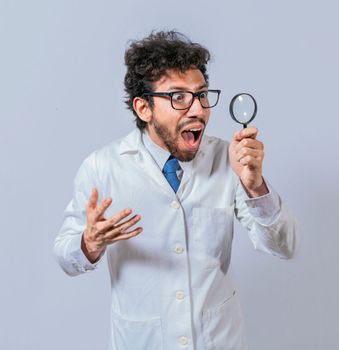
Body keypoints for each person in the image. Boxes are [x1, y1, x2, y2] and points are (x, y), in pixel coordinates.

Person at [53, 30, 298, 350]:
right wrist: (89, 242)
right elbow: (64, 255)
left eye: (202, 95)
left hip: (218, 341)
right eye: (178, 97)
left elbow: (283, 245)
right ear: (144, 109)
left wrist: (256, 188)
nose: (197, 109)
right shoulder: (103, 167)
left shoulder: (230, 161)